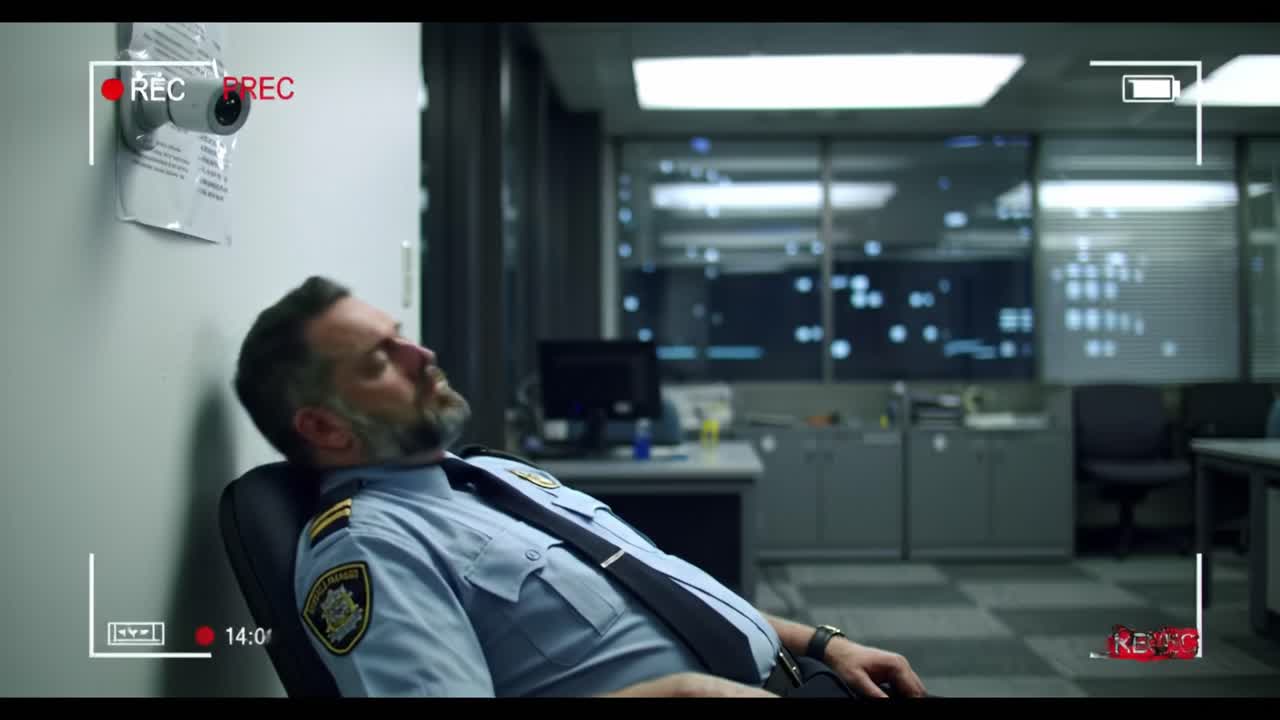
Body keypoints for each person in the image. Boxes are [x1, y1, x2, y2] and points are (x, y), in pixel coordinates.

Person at [233, 275, 928, 698]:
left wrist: (822, 643)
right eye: (381, 359)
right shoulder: (372, 547)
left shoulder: (497, 475)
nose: (423, 355)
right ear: (324, 427)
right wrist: (672, 693)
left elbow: (668, 593)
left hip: (809, 675)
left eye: (403, 337)